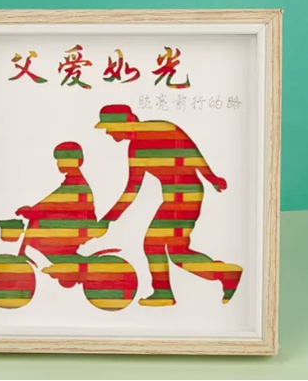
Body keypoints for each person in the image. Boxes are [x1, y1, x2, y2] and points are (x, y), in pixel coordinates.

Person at [95, 104, 242, 307]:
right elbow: (132, 190)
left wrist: (212, 177)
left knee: (154, 244)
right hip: (175, 198)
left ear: (125, 122)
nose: (108, 133)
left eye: (110, 127)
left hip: (185, 196)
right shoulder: (135, 150)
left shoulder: (162, 128)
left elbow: (191, 152)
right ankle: (226, 274)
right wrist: (108, 220)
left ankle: (164, 292)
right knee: (177, 251)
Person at [15, 141, 104, 262]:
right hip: (76, 221)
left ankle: (53, 258)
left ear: (76, 161)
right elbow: (54, 201)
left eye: (62, 159)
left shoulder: (76, 182)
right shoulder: (72, 180)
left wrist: (33, 210)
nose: (59, 163)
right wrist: (34, 210)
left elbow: (55, 202)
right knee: (37, 221)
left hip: (80, 225)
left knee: (37, 224)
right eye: (58, 160)